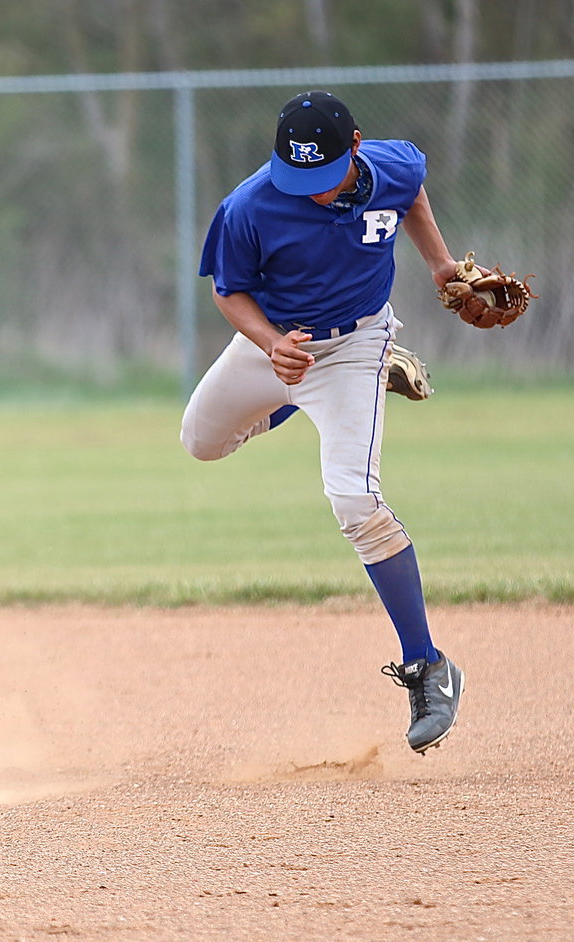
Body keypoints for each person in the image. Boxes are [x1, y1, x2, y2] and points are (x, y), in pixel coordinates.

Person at [181, 90, 466, 754]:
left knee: (355, 500)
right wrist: (269, 343)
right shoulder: (250, 205)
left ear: (357, 145)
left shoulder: (393, 166)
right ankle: (303, 399)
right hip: (280, 344)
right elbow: (228, 289)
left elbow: (414, 194)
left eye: (322, 175)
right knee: (200, 442)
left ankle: (427, 665)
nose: (307, 191)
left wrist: (441, 266)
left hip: (356, 341)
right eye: (295, 175)